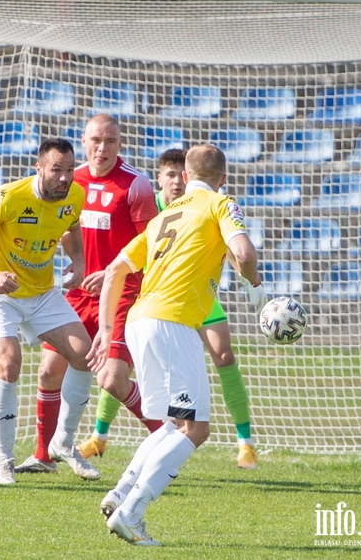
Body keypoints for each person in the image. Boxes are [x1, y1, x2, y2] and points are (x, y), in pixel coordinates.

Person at [88, 144, 262, 546]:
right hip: (173, 324)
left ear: (184, 177)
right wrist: (255, 284)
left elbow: (115, 270)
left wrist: (103, 328)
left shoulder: (166, 214)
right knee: (196, 428)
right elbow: (244, 251)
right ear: (222, 179)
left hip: (137, 321)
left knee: (172, 423)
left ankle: (120, 495)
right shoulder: (221, 203)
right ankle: (132, 513)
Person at [15, 114, 160, 480]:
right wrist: (75, 261)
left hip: (123, 294)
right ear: (83, 141)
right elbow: (63, 225)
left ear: (120, 144)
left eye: (110, 141)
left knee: (111, 380)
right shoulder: (70, 179)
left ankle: (167, 434)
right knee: (49, 371)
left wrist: (114, 271)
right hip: (78, 294)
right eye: (96, 139)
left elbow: (154, 246)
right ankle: (44, 455)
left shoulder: (136, 185)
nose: (102, 147)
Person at [0, 137, 98, 486]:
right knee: (9, 362)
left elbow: (70, 226)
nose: (65, 178)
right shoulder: (11, 196)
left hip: (41, 293)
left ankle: (62, 444)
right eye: (56, 170)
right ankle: (4, 461)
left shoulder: (75, 196)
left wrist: (78, 259)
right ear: (39, 168)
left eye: (69, 170)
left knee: (85, 355)